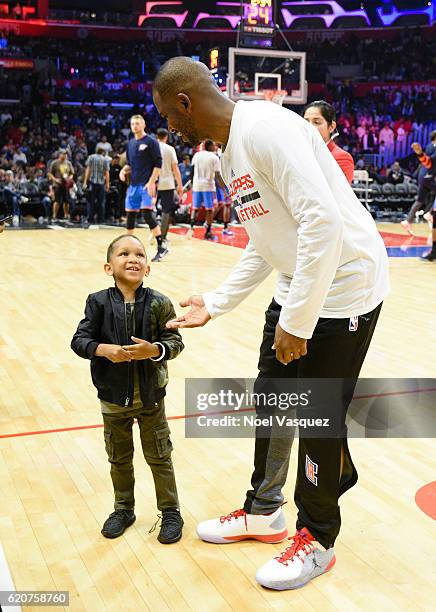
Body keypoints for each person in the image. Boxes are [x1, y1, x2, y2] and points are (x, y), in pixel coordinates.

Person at [153, 57, 389, 591]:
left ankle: (318, 536)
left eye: (169, 115)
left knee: (318, 416)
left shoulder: (266, 130)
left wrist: (298, 321)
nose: (171, 125)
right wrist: (216, 302)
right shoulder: (233, 147)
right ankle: (264, 511)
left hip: (347, 288)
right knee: (275, 397)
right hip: (302, 284)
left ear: (186, 103)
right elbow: (268, 242)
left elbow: (322, 223)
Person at [71, 234, 185, 543]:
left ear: (147, 269)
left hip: (151, 398)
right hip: (112, 398)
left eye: (139, 255)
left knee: (160, 456)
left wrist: (156, 349)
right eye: (123, 254)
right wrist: (102, 349)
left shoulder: (160, 302)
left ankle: (171, 511)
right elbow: (78, 341)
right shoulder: (97, 302)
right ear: (109, 267)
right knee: (119, 458)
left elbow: (176, 341)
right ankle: (123, 508)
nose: (132, 259)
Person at [119, 114, 167, 262]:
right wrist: (123, 170)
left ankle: (162, 246)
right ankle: (128, 248)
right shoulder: (131, 143)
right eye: (133, 124)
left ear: (144, 124)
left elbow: (158, 164)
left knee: (147, 214)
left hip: (147, 185)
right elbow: (129, 164)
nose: (135, 126)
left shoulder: (151, 142)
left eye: (138, 123)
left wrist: (152, 181)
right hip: (133, 185)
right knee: (130, 216)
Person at [303, 101, 354, 183]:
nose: (309, 126)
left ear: (331, 127)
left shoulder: (342, 158)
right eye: (306, 122)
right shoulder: (301, 153)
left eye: (316, 122)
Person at [401, 133, 436, 236]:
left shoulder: (430, 146)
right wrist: (420, 153)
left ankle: (407, 221)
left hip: (423, 176)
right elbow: (428, 162)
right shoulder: (433, 147)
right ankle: (429, 213)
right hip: (429, 176)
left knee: (420, 200)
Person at [155, 128, 183, 257]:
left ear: (156, 136)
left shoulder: (153, 147)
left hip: (153, 182)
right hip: (167, 183)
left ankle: (156, 234)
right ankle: (162, 236)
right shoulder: (170, 149)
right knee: (166, 211)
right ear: (166, 137)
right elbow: (175, 168)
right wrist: (180, 185)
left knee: (150, 210)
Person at [188, 139, 220, 240]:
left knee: (195, 208)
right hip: (208, 186)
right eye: (214, 145)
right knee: (209, 209)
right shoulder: (214, 157)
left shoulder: (197, 155)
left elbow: (191, 171)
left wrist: (192, 184)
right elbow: (218, 175)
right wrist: (224, 189)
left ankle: (191, 228)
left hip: (197, 185)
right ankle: (208, 231)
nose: (215, 147)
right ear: (209, 146)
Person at [83, 146, 110, 224]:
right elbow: (107, 172)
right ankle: (101, 219)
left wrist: (85, 182)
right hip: (101, 183)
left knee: (90, 202)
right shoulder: (105, 159)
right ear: (103, 152)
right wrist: (107, 184)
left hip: (92, 182)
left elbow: (88, 170)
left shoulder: (91, 157)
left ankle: (90, 218)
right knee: (101, 202)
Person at [47, 149, 74, 221]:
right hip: (58, 184)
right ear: (59, 155)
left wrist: (69, 178)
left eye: (66, 154)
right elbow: (49, 173)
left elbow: (72, 173)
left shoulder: (68, 163)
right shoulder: (55, 163)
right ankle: (54, 216)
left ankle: (66, 215)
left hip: (66, 184)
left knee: (66, 201)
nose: (65, 155)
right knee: (57, 201)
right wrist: (55, 179)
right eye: (63, 154)